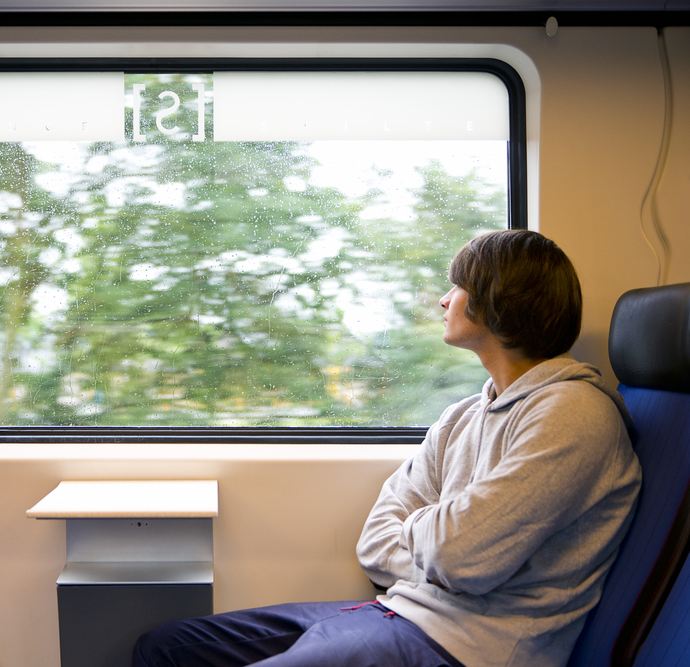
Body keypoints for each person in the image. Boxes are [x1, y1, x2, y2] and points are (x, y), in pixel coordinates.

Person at [132, 230, 642, 667]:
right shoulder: (463, 414)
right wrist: (442, 544)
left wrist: (431, 532)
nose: (445, 300)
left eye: (459, 287)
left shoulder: (574, 414)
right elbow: (376, 542)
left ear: (498, 302)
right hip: (403, 611)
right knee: (165, 648)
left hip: (467, 647)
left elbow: (462, 559)